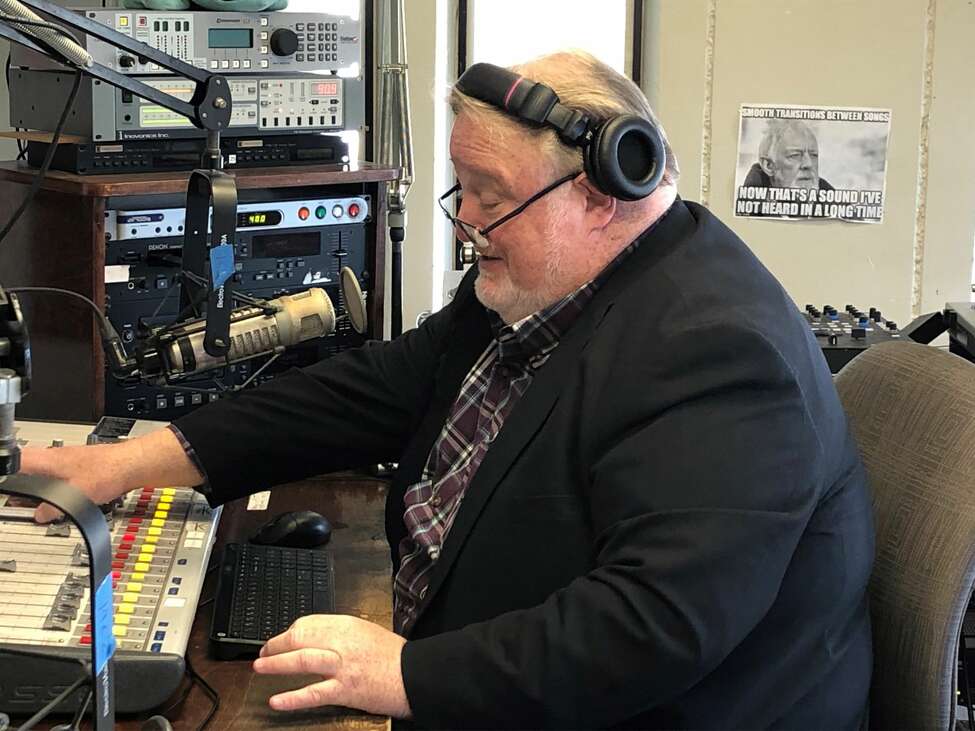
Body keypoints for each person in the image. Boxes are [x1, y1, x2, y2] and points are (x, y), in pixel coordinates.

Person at [24, 51, 874, 729]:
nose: (465, 219)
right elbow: (374, 389)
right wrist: (132, 461)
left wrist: (403, 671)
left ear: (600, 194)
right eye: (462, 188)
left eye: (487, 196)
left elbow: (649, 629)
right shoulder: (542, 280)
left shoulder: (719, 353)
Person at [743, 119, 835, 190]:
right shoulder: (748, 211)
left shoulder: (838, 208)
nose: (809, 164)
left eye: (814, 155)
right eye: (795, 155)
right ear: (768, 166)